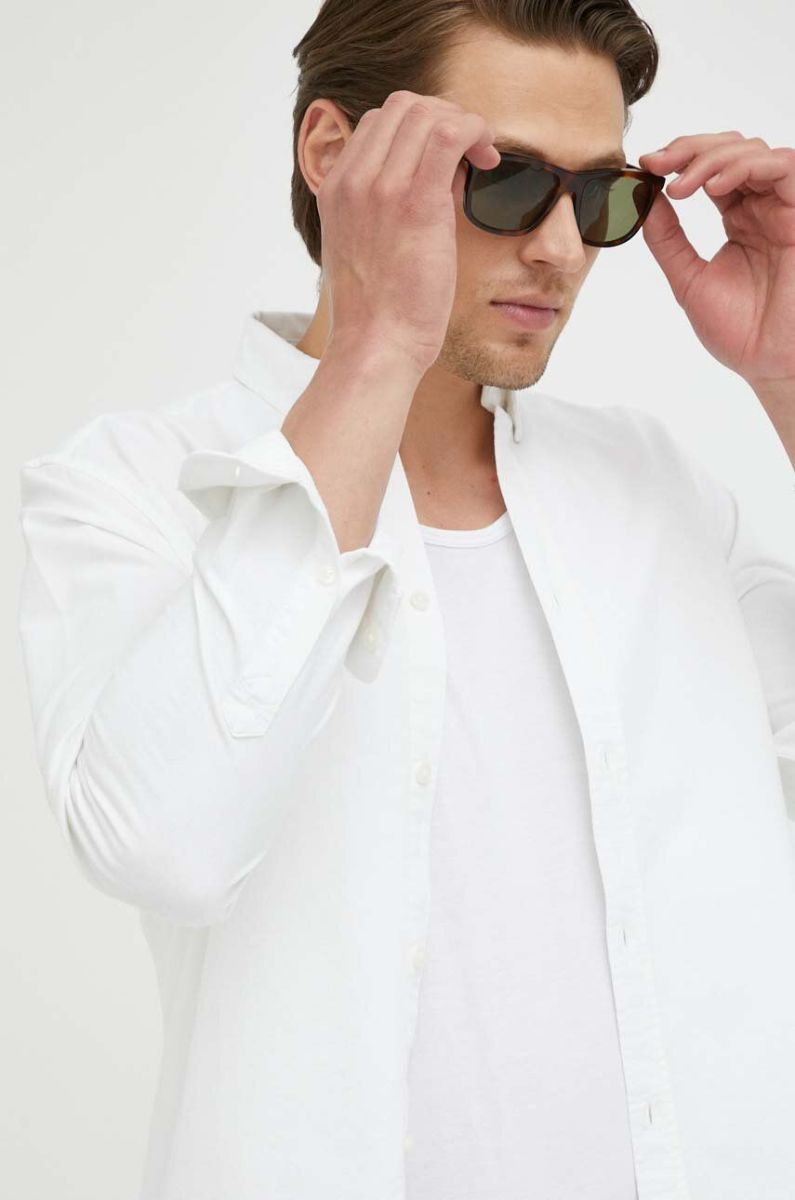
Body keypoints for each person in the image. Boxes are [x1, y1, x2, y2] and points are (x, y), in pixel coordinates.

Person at [17, 1, 795, 1198]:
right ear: (334, 154)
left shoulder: (657, 492)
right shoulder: (134, 488)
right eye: (504, 181)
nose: (562, 250)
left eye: (604, 197)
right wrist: (377, 344)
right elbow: (166, 847)